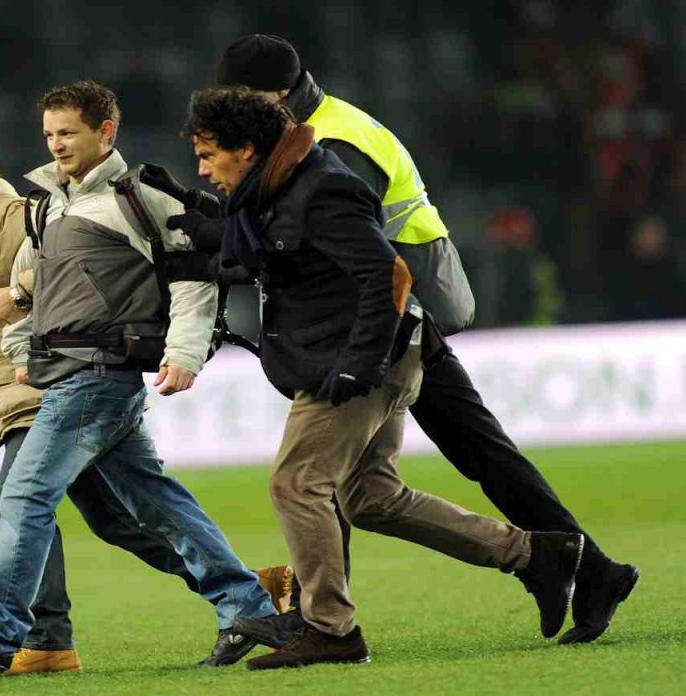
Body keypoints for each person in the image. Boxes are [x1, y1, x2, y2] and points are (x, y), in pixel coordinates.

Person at [212, 34, 637, 646]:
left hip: (394, 316)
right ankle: (591, 570)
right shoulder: (323, 126)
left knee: (361, 469)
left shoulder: (326, 145)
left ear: (277, 94)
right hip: (395, 313)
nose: (236, 113)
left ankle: (320, 620)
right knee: (453, 462)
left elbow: (355, 253)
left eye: (243, 98)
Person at [0, 141, 286, 677]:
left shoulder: (1, 217)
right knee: (122, 517)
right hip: (35, 382)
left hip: (49, 380)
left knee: (21, 500)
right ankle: (249, 592)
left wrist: (29, 307)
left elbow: (64, 272)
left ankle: (41, 638)